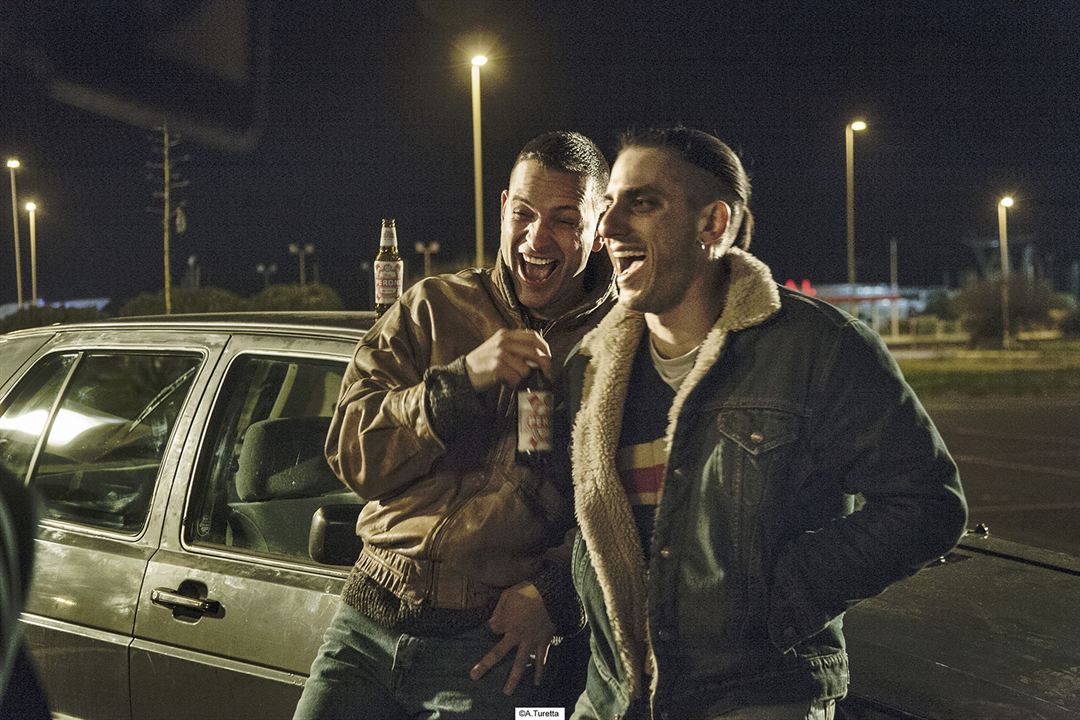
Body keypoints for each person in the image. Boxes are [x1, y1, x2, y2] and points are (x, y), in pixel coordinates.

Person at [564, 127, 967, 720]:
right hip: (617, 698)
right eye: (608, 204)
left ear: (713, 224)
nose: (609, 226)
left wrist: (782, 597)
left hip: (758, 694)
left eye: (642, 203)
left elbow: (928, 504)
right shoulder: (589, 366)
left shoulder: (819, 348)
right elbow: (582, 529)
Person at [294, 130, 615, 719]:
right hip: (365, 626)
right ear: (503, 207)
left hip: (492, 651)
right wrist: (459, 384)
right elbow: (351, 453)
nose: (536, 237)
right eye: (523, 213)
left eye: (565, 220)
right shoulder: (430, 307)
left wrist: (556, 596)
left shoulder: (621, 347)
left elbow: (635, 512)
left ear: (600, 227)